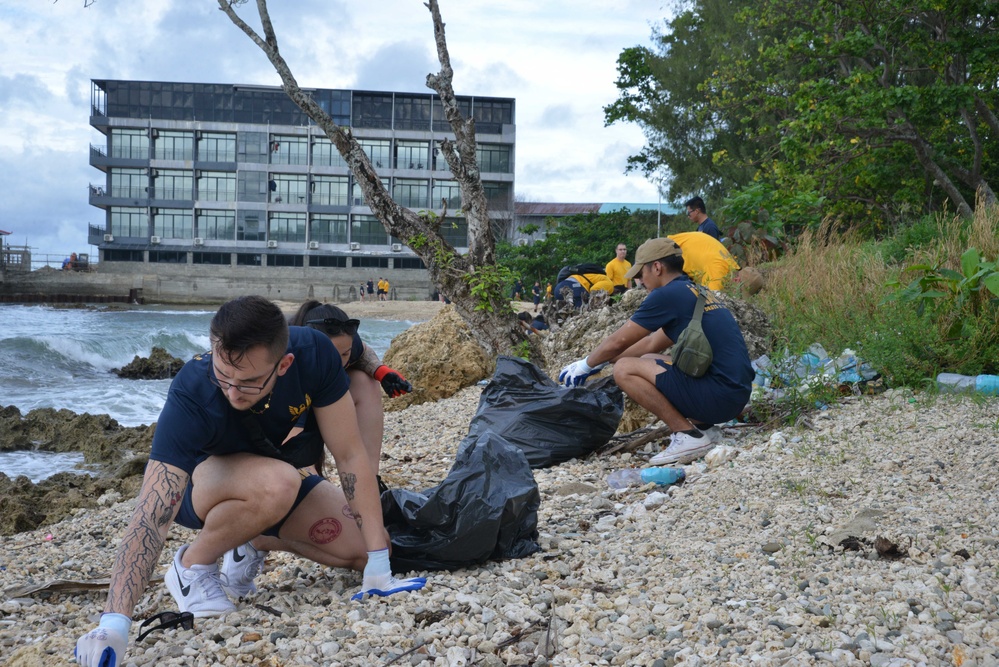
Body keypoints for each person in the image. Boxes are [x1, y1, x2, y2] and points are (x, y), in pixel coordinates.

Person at [74, 296, 425, 667]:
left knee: (366, 547)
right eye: (223, 375)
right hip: (206, 489)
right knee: (279, 482)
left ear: (284, 363)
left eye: (249, 382)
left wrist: (377, 566)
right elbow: (152, 512)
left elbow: (351, 456)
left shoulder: (315, 353)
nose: (232, 391)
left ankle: (253, 537)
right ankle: (193, 567)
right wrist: (113, 622)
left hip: (274, 478)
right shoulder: (193, 391)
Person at [558, 238, 752, 466]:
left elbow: (618, 341)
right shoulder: (694, 291)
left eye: (641, 273)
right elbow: (650, 345)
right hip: (734, 395)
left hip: (720, 397)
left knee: (624, 370)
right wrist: (603, 361)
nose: (639, 280)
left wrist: (586, 364)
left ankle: (687, 436)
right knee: (647, 359)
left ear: (657, 267)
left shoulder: (666, 295)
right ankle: (703, 428)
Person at [288, 301, 412, 473]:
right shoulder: (290, 355)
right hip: (282, 418)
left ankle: (369, 474)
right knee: (303, 476)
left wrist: (381, 371)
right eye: (331, 355)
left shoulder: (346, 341)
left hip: (325, 397)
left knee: (364, 381)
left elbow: (362, 351)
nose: (338, 362)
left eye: (345, 354)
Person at [666, 231, 740, 290]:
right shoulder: (717, 274)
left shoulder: (731, 263)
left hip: (676, 242)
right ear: (736, 280)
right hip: (670, 253)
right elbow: (710, 299)